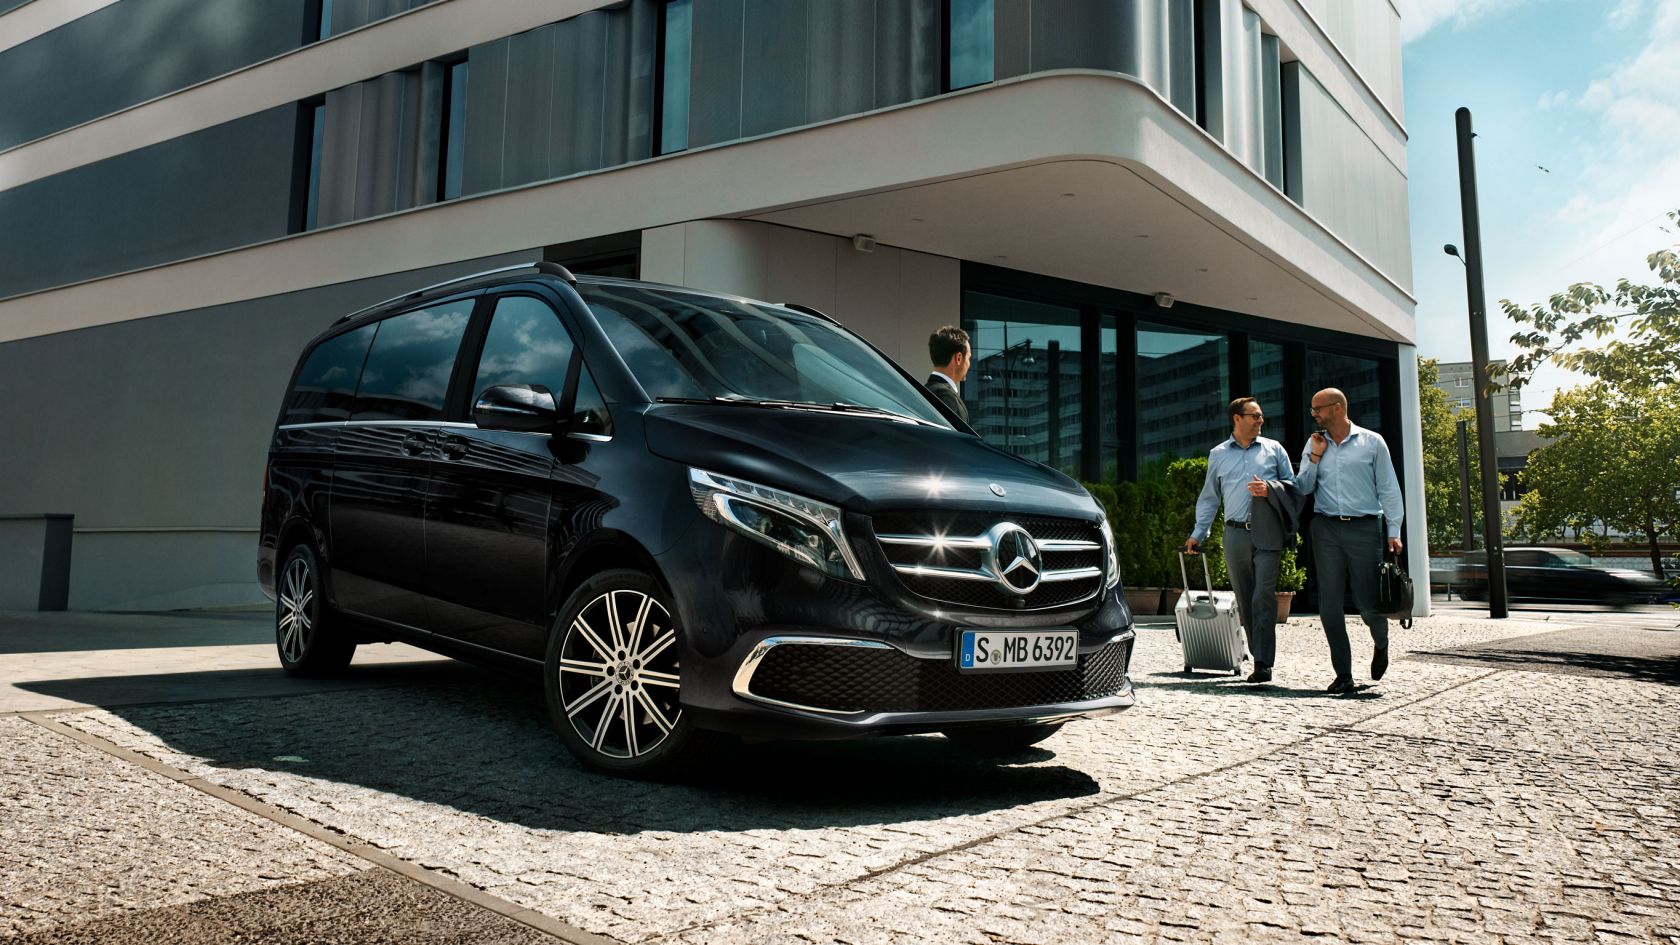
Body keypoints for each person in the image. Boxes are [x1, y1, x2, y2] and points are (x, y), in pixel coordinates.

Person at [1296, 387, 1404, 694]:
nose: (1314, 414)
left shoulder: (1372, 442)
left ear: (1337, 408)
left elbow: (1388, 488)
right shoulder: (1315, 443)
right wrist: (1315, 457)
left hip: (1365, 528)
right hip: (1326, 527)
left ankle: (1380, 642)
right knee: (1329, 604)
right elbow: (1303, 486)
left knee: (1367, 603)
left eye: (1318, 409)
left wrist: (1394, 530)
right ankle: (1343, 674)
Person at [1183, 397, 1296, 684]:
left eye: (1260, 417)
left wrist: (1269, 489)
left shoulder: (1274, 450)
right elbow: (1209, 497)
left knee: (1263, 597)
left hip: (1268, 531)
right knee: (1246, 598)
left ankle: (1263, 662)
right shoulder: (1218, 454)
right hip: (1234, 534)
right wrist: (1198, 534)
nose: (1260, 421)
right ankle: (1259, 654)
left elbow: (1295, 488)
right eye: (1255, 416)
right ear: (1237, 418)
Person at [926, 326, 970, 422]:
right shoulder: (946, 397)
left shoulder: (924, 391)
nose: (969, 364)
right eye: (968, 358)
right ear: (958, 358)